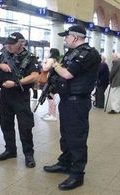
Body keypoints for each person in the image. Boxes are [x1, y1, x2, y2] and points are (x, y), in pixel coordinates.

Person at [43, 25, 101, 190]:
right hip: (68, 100)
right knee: (66, 134)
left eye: (66, 37)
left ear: (75, 37)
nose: (64, 39)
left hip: (78, 102)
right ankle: (65, 162)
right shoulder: (71, 53)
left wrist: (54, 65)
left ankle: (77, 174)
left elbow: (68, 74)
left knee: (76, 137)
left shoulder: (88, 54)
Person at [0, 32, 39, 168]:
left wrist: (17, 83)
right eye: (7, 43)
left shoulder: (30, 58)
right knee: (6, 124)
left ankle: (29, 154)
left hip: (20, 95)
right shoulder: (2, 55)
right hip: (5, 95)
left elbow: (35, 76)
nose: (9, 46)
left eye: (12, 43)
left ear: (21, 43)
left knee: (25, 126)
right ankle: (10, 150)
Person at [41, 48, 61, 121]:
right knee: (51, 97)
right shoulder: (57, 60)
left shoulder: (51, 59)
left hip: (51, 81)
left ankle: (52, 115)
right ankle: (50, 113)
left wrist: (44, 62)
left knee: (50, 98)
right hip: (55, 80)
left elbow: (45, 68)